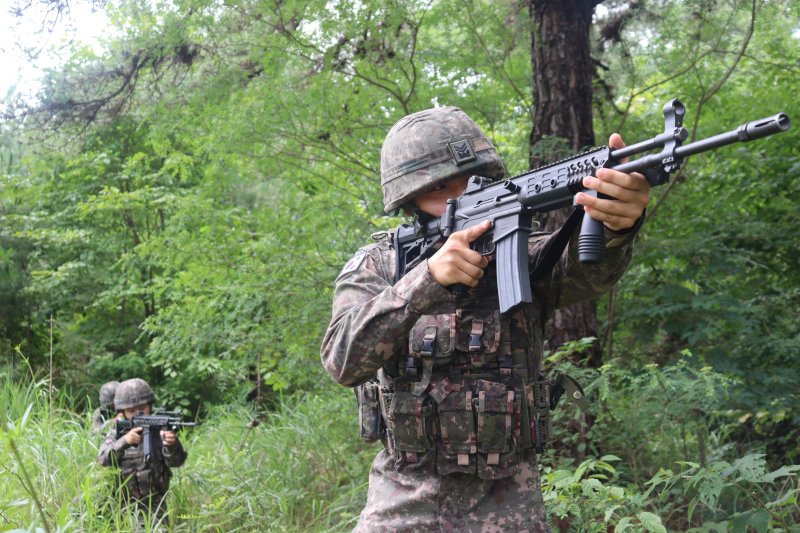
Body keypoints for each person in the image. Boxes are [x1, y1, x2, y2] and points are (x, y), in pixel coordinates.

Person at [320, 106, 650, 531]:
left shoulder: (522, 254)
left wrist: (617, 226)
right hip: (402, 507)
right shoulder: (380, 266)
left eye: (469, 179)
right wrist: (425, 281)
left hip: (510, 512)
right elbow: (341, 360)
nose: (457, 195)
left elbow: (584, 272)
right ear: (409, 198)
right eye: (439, 186)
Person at [97, 378, 187, 527]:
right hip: (123, 505)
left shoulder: (159, 430)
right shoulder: (117, 433)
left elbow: (176, 462)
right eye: (131, 411)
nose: (138, 414)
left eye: (142, 408)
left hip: (155, 505)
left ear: (150, 406)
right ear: (122, 412)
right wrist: (124, 441)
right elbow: (102, 459)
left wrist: (171, 445)